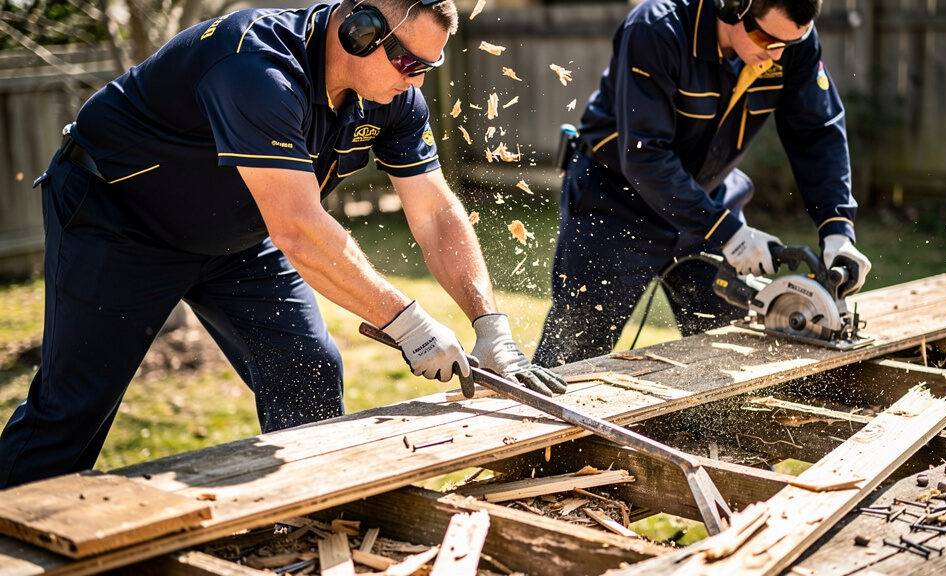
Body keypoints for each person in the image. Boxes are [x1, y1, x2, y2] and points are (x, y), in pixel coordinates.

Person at [0, 0, 564, 489]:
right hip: (120, 220)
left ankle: (307, 520)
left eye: (430, 66)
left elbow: (438, 213)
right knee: (75, 406)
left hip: (241, 232)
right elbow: (298, 229)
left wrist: (490, 329)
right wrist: (410, 326)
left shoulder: (392, 98)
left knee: (308, 366)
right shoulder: (256, 68)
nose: (417, 81)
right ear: (359, 33)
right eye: (409, 62)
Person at [534, 0, 872, 367]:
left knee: (726, 347)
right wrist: (727, 232)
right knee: (574, 355)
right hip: (617, 204)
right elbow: (646, 156)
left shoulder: (789, 39)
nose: (777, 55)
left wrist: (837, 228)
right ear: (732, 7)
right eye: (767, 40)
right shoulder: (657, 30)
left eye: (790, 44)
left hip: (706, 202)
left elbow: (818, 132)